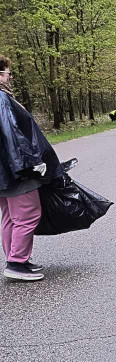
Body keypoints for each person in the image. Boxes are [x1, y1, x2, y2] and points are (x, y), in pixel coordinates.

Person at [0, 55, 62, 281]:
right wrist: (31, 163)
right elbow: (12, 134)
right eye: (7, 73)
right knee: (27, 214)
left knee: (9, 217)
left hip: (3, 173)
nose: (10, 77)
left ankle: (17, 259)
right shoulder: (1, 99)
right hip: (15, 170)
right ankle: (16, 262)